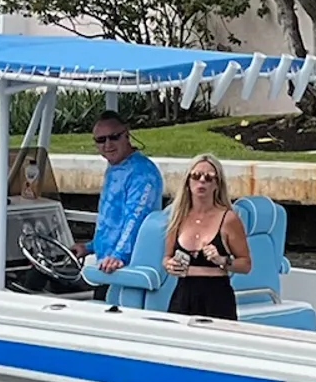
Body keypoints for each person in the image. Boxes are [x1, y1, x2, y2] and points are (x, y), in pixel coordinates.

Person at [162, 154, 251, 321]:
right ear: (188, 182)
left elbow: (246, 264)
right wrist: (170, 265)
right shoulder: (177, 217)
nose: (202, 181)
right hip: (183, 294)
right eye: (196, 176)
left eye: (209, 178)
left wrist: (223, 260)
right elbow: (166, 257)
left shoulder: (229, 219)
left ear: (217, 184)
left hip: (216, 296)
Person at [86, 113, 162, 276]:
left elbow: (135, 218)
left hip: (126, 268)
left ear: (126, 134)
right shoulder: (115, 167)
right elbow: (111, 222)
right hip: (105, 263)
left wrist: (118, 256)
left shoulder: (142, 173)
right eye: (101, 140)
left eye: (114, 137)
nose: (108, 144)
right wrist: (89, 247)